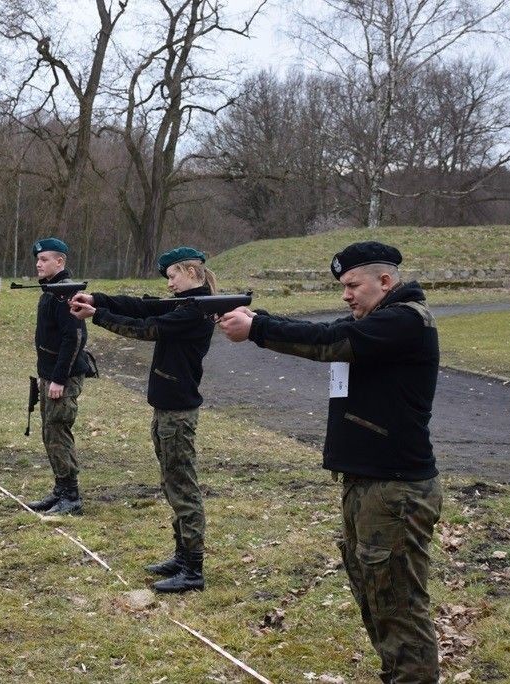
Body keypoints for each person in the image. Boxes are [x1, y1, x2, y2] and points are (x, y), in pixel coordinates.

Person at [218, 241, 442, 683]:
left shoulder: (405, 321)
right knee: (375, 595)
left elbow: (327, 342)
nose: (346, 295)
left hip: (394, 489)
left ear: (385, 281)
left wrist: (257, 328)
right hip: (368, 483)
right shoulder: (376, 321)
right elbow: (321, 330)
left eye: (353, 285)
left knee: (398, 605)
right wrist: (259, 319)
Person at [70, 247, 215, 593]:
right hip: (167, 408)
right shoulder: (185, 304)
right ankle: (182, 556)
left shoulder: (195, 310)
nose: (169, 284)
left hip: (177, 413)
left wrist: (97, 315)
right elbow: (141, 306)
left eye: (173, 276)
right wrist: (98, 299)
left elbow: (147, 328)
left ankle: (192, 568)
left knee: (182, 487)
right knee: (172, 483)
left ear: (190, 273)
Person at [25, 238, 92, 516]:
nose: (38, 264)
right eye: (38, 260)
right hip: (49, 374)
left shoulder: (65, 293)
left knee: (58, 431)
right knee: (49, 431)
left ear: (60, 261)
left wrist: (59, 379)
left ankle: (71, 495)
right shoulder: (51, 291)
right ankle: (60, 489)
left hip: (62, 377)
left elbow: (74, 338)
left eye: (44, 260)